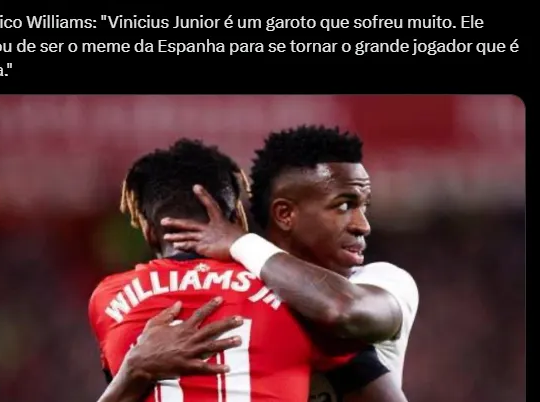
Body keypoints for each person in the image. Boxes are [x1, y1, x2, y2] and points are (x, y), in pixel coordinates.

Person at [89, 139, 377, 402]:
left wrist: (132, 372)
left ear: (150, 233)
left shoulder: (110, 298)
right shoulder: (296, 293)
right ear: (235, 219)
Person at [161, 126, 419, 395]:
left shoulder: (386, 281)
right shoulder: (236, 292)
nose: (363, 225)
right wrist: (136, 368)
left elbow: (341, 309)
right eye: (344, 206)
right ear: (285, 214)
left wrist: (240, 242)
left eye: (364, 206)